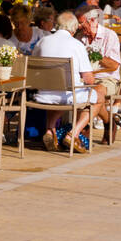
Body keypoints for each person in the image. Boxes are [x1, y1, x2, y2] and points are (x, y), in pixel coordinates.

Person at [31, 11, 106, 154]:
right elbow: (89, 79)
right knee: (99, 96)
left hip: (43, 95)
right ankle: (74, 134)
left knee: (62, 92)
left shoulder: (42, 41)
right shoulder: (76, 45)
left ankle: (50, 130)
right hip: (67, 95)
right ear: (73, 28)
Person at [76, 4, 120, 143]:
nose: (79, 26)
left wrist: (96, 55)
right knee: (77, 92)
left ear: (93, 20)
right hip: (84, 78)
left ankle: (81, 129)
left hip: (106, 78)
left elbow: (114, 65)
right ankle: (109, 122)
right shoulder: (80, 38)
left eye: (81, 23)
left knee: (96, 92)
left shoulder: (109, 35)